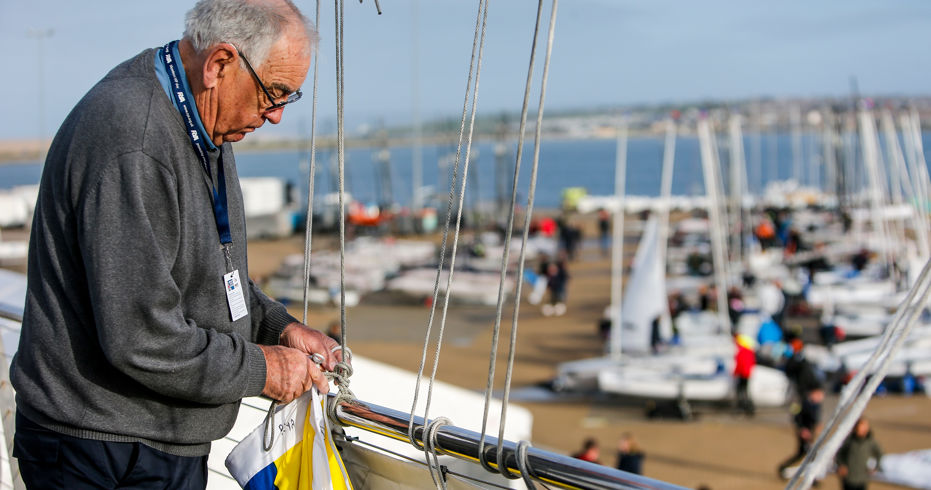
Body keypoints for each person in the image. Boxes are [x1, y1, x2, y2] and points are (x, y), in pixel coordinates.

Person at [10, 1, 340, 488]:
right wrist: (262, 368)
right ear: (219, 64)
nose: (274, 116)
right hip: (102, 449)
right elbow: (141, 338)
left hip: (154, 438)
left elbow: (203, 273)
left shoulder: (205, 120)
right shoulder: (135, 139)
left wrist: (277, 325)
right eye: (273, 93)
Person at [778, 387, 825, 479]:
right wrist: (802, 429)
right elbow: (795, 416)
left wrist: (818, 425)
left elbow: (816, 419)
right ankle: (783, 468)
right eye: (819, 394)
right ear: (813, 393)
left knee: (805, 454)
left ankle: (784, 468)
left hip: (811, 433)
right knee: (807, 454)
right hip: (804, 434)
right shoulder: (802, 403)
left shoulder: (817, 405)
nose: (821, 397)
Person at [835, 418, 882, 490]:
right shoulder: (849, 440)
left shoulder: (870, 442)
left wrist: (876, 467)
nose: (861, 429)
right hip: (848, 478)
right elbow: (839, 453)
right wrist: (841, 465)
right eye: (859, 427)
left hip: (862, 479)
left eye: (864, 427)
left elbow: (880, 454)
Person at [733, 334, 756, 416]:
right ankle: (748, 408)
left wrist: (735, 372)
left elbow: (740, 364)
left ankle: (743, 407)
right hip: (746, 374)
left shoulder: (742, 351)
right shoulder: (749, 351)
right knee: (745, 391)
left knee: (741, 391)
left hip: (743, 374)